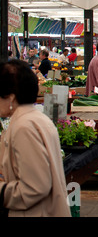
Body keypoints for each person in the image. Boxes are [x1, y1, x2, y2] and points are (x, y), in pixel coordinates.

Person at [0, 60, 71, 217]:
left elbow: (35, 186)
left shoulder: (23, 127)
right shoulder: (36, 118)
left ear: (11, 97)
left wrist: (3, 192)